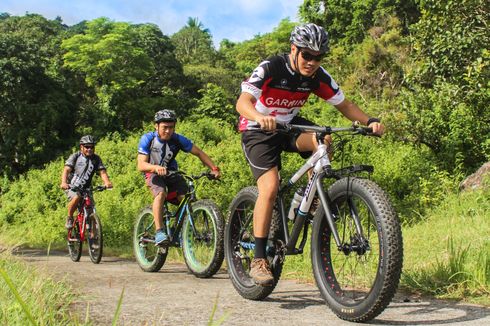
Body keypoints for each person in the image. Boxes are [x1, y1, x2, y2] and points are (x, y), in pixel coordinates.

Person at [236, 23, 385, 286]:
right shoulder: (271, 67)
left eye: (319, 57)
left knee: (323, 139)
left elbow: (345, 105)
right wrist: (260, 116)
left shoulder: (318, 76)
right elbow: (243, 102)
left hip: (290, 126)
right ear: (294, 49)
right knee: (269, 188)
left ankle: (308, 197)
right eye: (307, 55)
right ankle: (259, 258)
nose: (312, 62)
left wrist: (369, 120)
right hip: (258, 129)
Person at [137, 109, 221, 246]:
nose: (168, 131)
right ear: (156, 126)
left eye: (171, 127)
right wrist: (155, 168)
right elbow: (141, 165)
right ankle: (159, 232)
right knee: (161, 193)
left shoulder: (177, 139)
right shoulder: (148, 139)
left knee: (185, 198)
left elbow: (199, 152)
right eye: (165, 127)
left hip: (171, 172)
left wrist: (214, 168)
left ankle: (178, 230)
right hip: (151, 172)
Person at [61, 135, 113, 229]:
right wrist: (64, 183)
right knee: (77, 196)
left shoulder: (96, 159)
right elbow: (66, 170)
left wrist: (107, 182)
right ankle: (69, 217)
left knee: (91, 210)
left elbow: (102, 172)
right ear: (81, 147)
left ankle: (93, 240)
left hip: (87, 188)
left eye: (92, 147)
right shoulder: (76, 156)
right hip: (72, 186)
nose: (89, 149)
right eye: (87, 147)